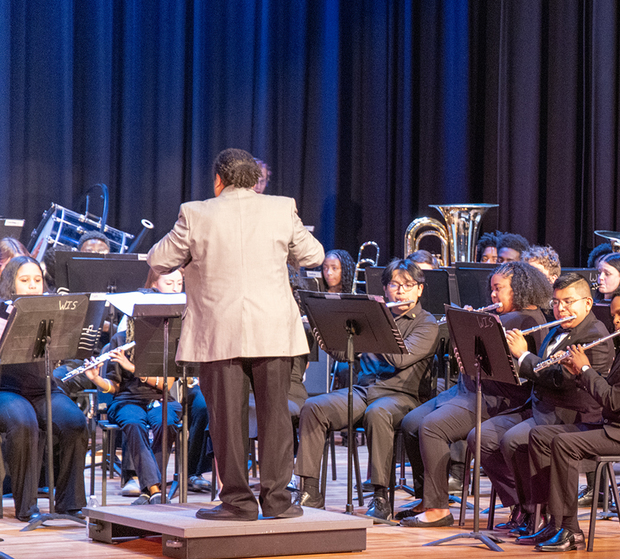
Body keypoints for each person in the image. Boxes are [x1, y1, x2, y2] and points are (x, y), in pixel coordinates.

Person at [148, 148, 324, 522]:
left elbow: (158, 260)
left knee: (227, 421)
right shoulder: (281, 208)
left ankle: (238, 504)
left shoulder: (195, 213)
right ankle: (278, 501)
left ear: (218, 180)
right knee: (275, 417)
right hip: (274, 330)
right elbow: (315, 256)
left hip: (218, 332)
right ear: (254, 180)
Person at [398, 261, 552, 527]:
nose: (493, 295)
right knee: (411, 423)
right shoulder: (502, 317)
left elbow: (527, 370)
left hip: (496, 399)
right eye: (492, 289)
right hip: (467, 390)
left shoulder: (529, 320)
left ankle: (438, 509)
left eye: (499, 289)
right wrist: (465, 328)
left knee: (432, 428)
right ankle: (428, 496)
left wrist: (477, 330)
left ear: (519, 289)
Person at [293, 259, 439, 521]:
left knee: (378, 413)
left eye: (408, 285)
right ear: (385, 289)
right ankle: (310, 491)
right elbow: (342, 352)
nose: (401, 291)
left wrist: (376, 323)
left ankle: (381, 497)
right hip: (363, 391)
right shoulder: (373, 318)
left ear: (419, 290)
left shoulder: (426, 324)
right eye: (394, 284)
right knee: (314, 407)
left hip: (402, 396)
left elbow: (400, 359)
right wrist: (321, 326)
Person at [524, 284, 620, 551]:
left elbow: (614, 400)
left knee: (566, 444)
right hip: (618, 427)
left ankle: (570, 530)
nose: (615, 321)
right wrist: (577, 372)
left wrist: (586, 368)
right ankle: (552, 521)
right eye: (613, 315)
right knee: (540, 436)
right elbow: (611, 391)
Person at [479, 272, 613, 536]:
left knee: (513, 440)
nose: (560, 308)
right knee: (480, 437)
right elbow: (538, 374)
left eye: (568, 302)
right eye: (556, 302)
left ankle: (539, 512)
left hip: (570, 417)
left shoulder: (595, 337)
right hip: (540, 407)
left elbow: (558, 380)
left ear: (587, 304)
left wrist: (523, 354)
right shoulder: (555, 329)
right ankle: (523, 504)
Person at [0, 255, 89, 522]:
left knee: (74, 421)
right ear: (10, 283)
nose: (32, 286)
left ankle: (69, 504)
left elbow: (72, 351)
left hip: (42, 388)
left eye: (37, 280)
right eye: (24, 280)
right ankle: (26, 508)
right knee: (23, 423)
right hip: (6, 389)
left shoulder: (55, 309)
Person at [85, 297, 183, 505]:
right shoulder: (120, 340)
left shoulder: (164, 342)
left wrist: (134, 368)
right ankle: (155, 489)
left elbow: (166, 384)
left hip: (159, 398)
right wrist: (96, 379)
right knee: (133, 422)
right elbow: (115, 386)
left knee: (165, 421)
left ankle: (148, 490)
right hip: (127, 400)